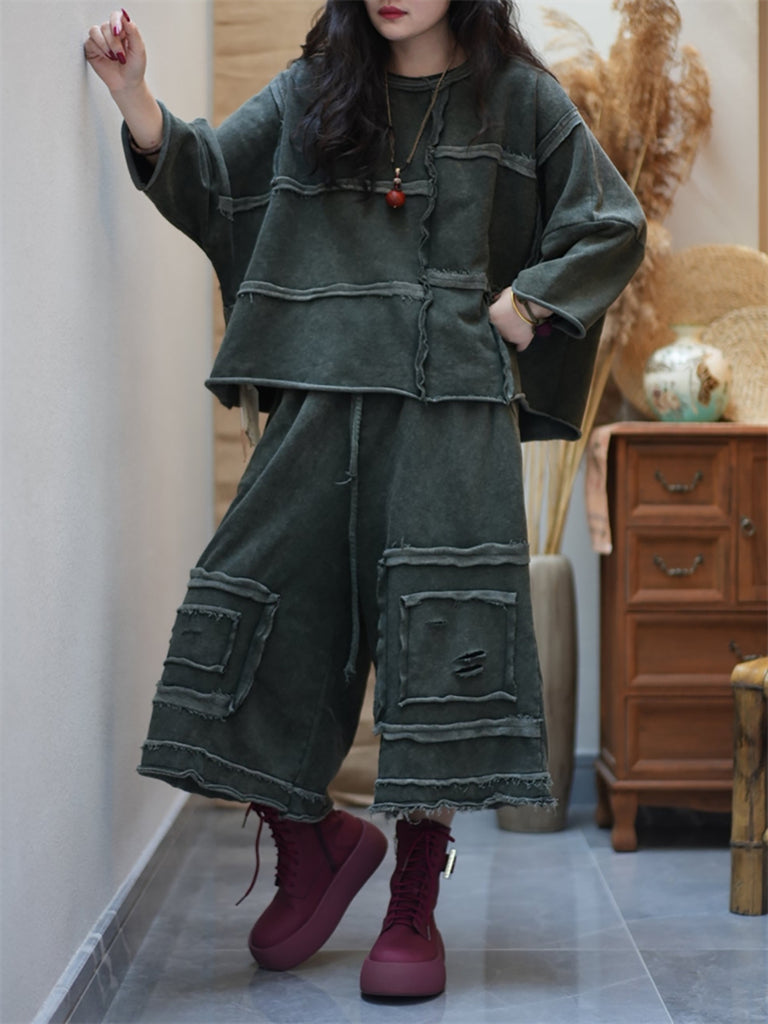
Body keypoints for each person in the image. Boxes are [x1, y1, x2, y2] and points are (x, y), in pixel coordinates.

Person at [85, 0, 645, 999]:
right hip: (318, 399)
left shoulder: (519, 97)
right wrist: (134, 95)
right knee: (255, 607)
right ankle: (315, 839)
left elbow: (611, 222)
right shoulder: (314, 88)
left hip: (450, 415)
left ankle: (414, 897)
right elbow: (215, 183)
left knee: (441, 638)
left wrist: (528, 305)